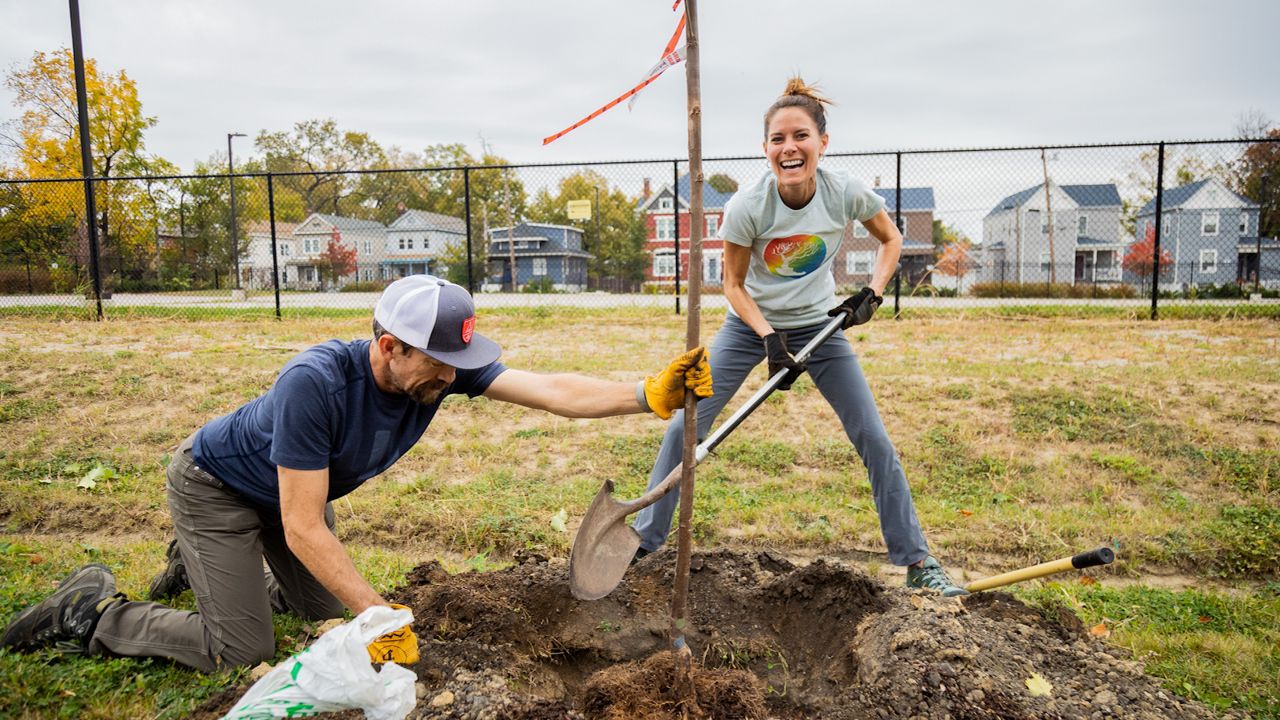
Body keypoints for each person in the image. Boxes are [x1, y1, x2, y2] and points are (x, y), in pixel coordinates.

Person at [1, 275, 713, 670]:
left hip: (288, 498)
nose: (452, 377)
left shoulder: (436, 372)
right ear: (388, 348)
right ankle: (93, 612)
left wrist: (646, 395)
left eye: (457, 365)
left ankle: (216, 574)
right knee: (240, 649)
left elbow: (549, 391)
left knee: (317, 612)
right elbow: (304, 526)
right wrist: (379, 616)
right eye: (436, 364)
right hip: (218, 490)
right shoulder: (314, 383)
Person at [631, 77, 966, 596]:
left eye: (801, 136)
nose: (790, 148)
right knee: (684, 428)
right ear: (765, 149)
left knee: (873, 438)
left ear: (821, 143)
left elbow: (892, 238)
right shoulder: (748, 206)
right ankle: (644, 543)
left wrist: (872, 293)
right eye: (778, 139)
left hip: (821, 327)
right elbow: (734, 286)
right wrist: (768, 338)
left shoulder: (844, 192)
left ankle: (917, 560)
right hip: (749, 329)